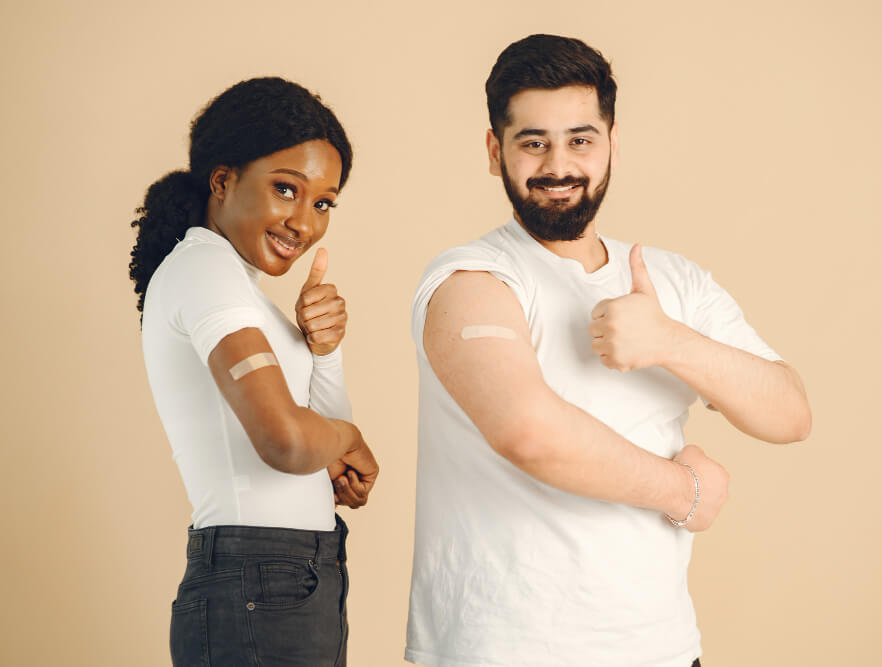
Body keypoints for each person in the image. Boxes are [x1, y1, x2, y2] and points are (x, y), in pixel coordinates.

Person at [405, 35, 811, 667]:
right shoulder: (471, 281)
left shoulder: (672, 279)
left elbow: (789, 414)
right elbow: (528, 433)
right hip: (503, 650)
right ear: (495, 151)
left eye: (581, 139)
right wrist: (686, 493)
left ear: (612, 144)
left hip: (663, 648)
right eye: (533, 141)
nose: (558, 164)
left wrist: (671, 341)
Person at [129, 77, 378, 666]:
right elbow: (289, 441)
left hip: (290, 577)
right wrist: (349, 439)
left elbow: (320, 457)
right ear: (223, 181)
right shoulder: (207, 274)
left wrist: (323, 348)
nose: (304, 222)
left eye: (322, 203)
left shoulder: (239, 291)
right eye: (286, 189)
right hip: (258, 582)